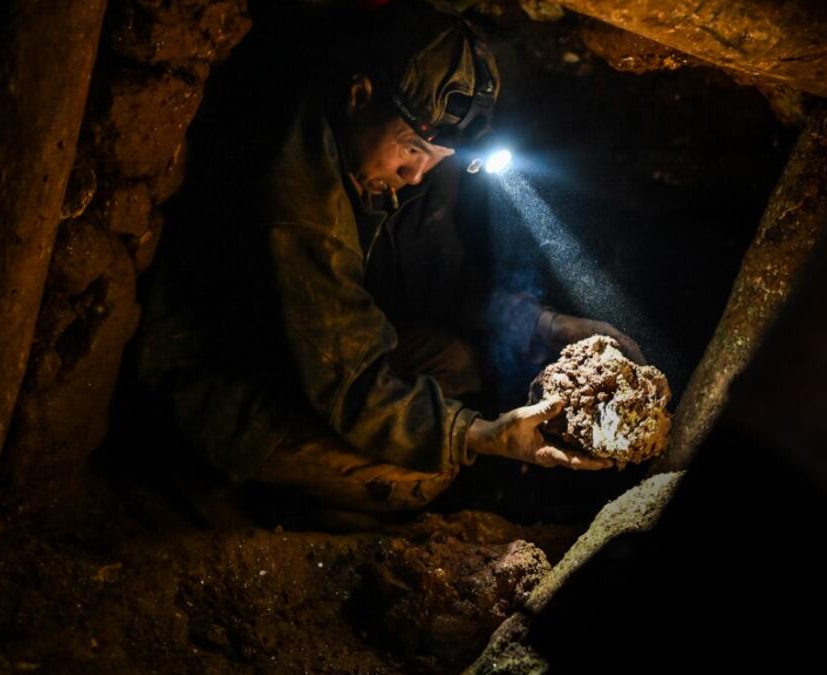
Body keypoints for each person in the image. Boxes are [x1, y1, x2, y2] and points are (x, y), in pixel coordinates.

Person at [134, 0, 645, 513]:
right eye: (411, 152)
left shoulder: (380, 158)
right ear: (360, 96)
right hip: (224, 387)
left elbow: (439, 278)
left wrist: (545, 324)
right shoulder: (296, 194)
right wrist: (481, 434)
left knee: (462, 363)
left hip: (302, 356)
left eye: (435, 161)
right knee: (421, 476)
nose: (416, 175)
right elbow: (351, 379)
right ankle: (234, 495)